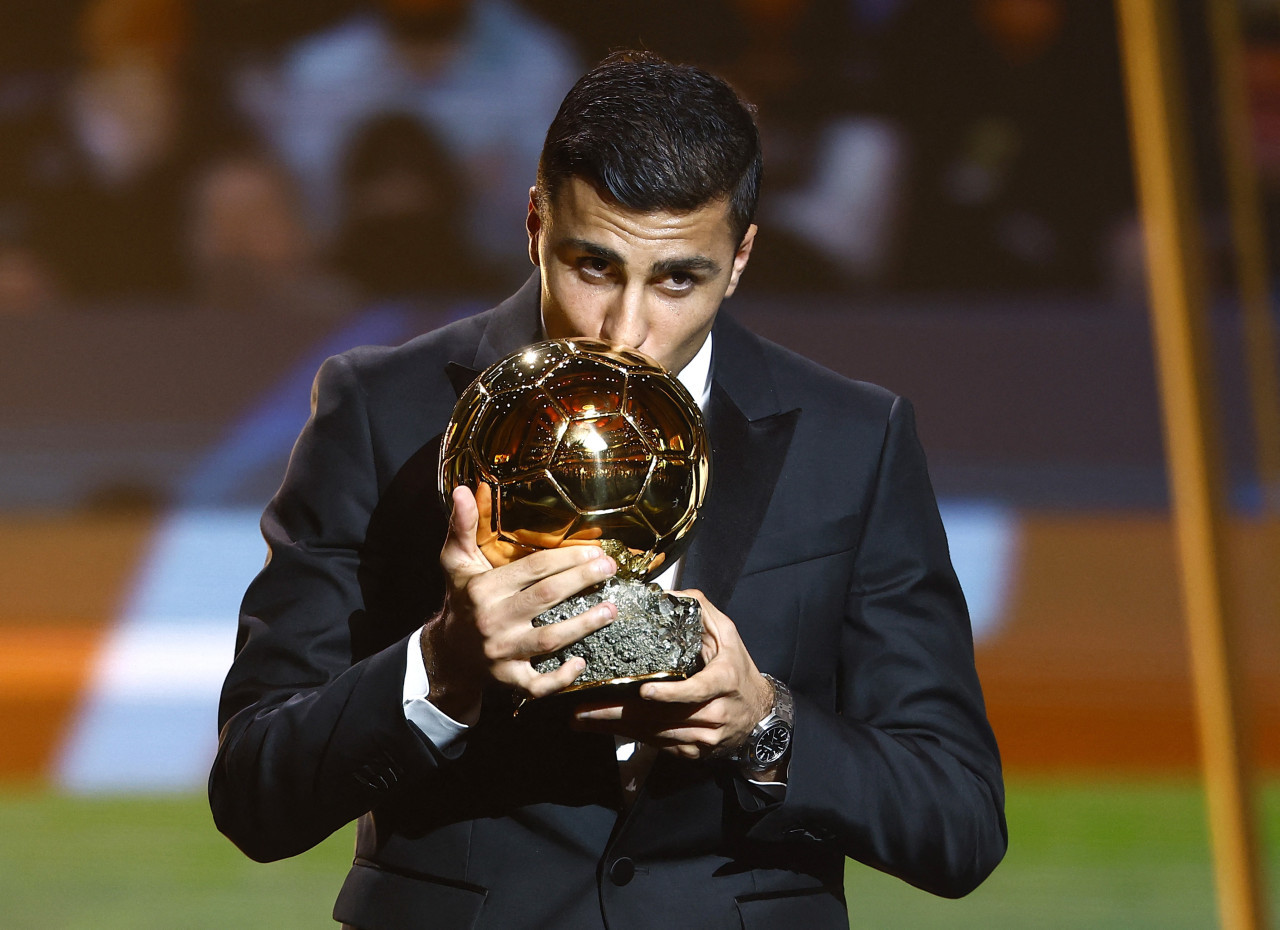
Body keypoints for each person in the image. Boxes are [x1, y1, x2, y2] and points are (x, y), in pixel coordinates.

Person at [210, 50, 1007, 929]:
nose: (626, 332)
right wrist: (442, 668)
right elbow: (254, 793)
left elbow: (959, 821)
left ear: (739, 259)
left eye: (677, 278)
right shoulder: (381, 412)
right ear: (534, 225)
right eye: (593, 267)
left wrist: (764, 723)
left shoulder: (855, 439)